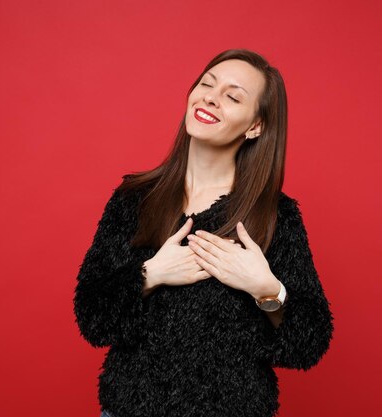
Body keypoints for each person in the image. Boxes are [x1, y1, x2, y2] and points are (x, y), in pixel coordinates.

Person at [73, 48, 334, 417]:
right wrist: (150, 274)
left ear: (255, 126)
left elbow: (310, 343)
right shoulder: (134, 200)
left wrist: (266, 289)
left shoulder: (276, 216)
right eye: (207, 83)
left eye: (233, 96)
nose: (210, 96)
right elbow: (91, 316)